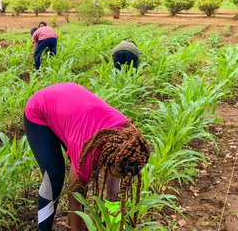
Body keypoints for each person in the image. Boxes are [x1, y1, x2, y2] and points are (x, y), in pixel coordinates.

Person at [24, 83, 150, 231]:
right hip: (40, 110)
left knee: (83, 173)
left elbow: (118, 167)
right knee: (54, 175)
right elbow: (75, 198)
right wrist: (75, 218)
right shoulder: (88, 150)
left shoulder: (130, 139)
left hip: (72, 108)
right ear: (108, 159)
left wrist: (112, 202)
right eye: (113, 172)